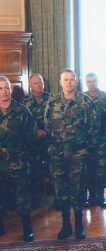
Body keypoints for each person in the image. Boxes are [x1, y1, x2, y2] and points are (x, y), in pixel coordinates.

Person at [44, 68, 98, 240]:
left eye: (72, 79)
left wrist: (83, 146)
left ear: (76, 81)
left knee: (79, 190)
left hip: (78, 155)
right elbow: (47, 125)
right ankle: (66, 225)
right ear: (60, 82)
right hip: (58, 155)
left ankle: (79, 226)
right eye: (65, 79)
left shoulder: (86, 102)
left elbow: (94, 127)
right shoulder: (52, 102)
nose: (69, 82)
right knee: (61, 190)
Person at [0, 76, 36, 242]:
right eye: (0, 89)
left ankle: (27, 227)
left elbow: (32, 136)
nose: (4, 92)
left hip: (17, 161)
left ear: (11, 89)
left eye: (7, 88)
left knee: (23, 195)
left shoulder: (22, 111)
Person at [84, 73, 106, 208]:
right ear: (86, 83)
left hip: (103, 141)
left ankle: (101, 196)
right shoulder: (82, 98)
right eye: (89, 81)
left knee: (102, 170)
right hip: (86, 142)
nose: (92, 84)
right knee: (89, 170)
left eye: (94, 81)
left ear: (98, 81)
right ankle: (91, 196)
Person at [24, 73, 53, 206]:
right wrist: (35, 132)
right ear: (30, 85)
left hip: (50, 142)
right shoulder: (25, 103)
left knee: (53, 171)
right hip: (33, 144)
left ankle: (56, 199)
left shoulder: (52, 100)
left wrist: (46, 131)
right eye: (36, 83)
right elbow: (22, 125)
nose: (40, 85)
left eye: (41, 82)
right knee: (34, 172)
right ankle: (35, 199)